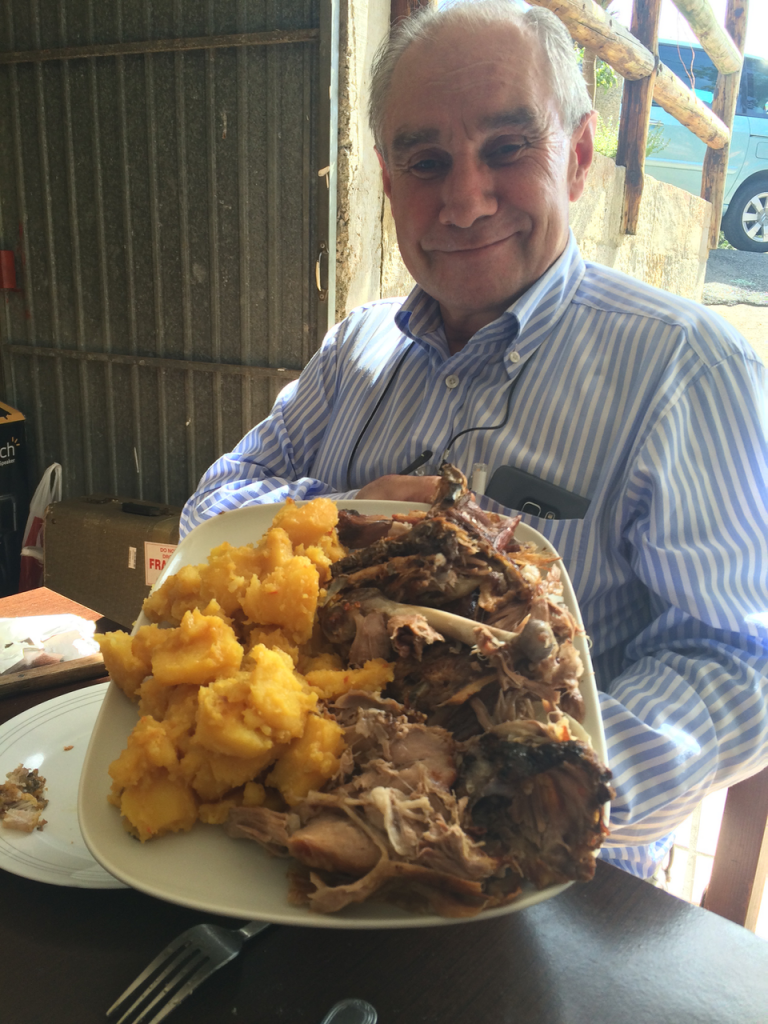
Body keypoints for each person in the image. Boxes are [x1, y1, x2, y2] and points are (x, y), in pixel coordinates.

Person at [181, 1, 768, 880]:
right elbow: (214, 499)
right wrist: (334, 516)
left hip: (548, 882)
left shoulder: (687, 366)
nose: (464, 199)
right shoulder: (356, 345)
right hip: (292, 822)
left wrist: (535, 776)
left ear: (575, 157)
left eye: (505, 148)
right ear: (387, 178)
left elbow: (737, 657)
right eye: (426, 161)